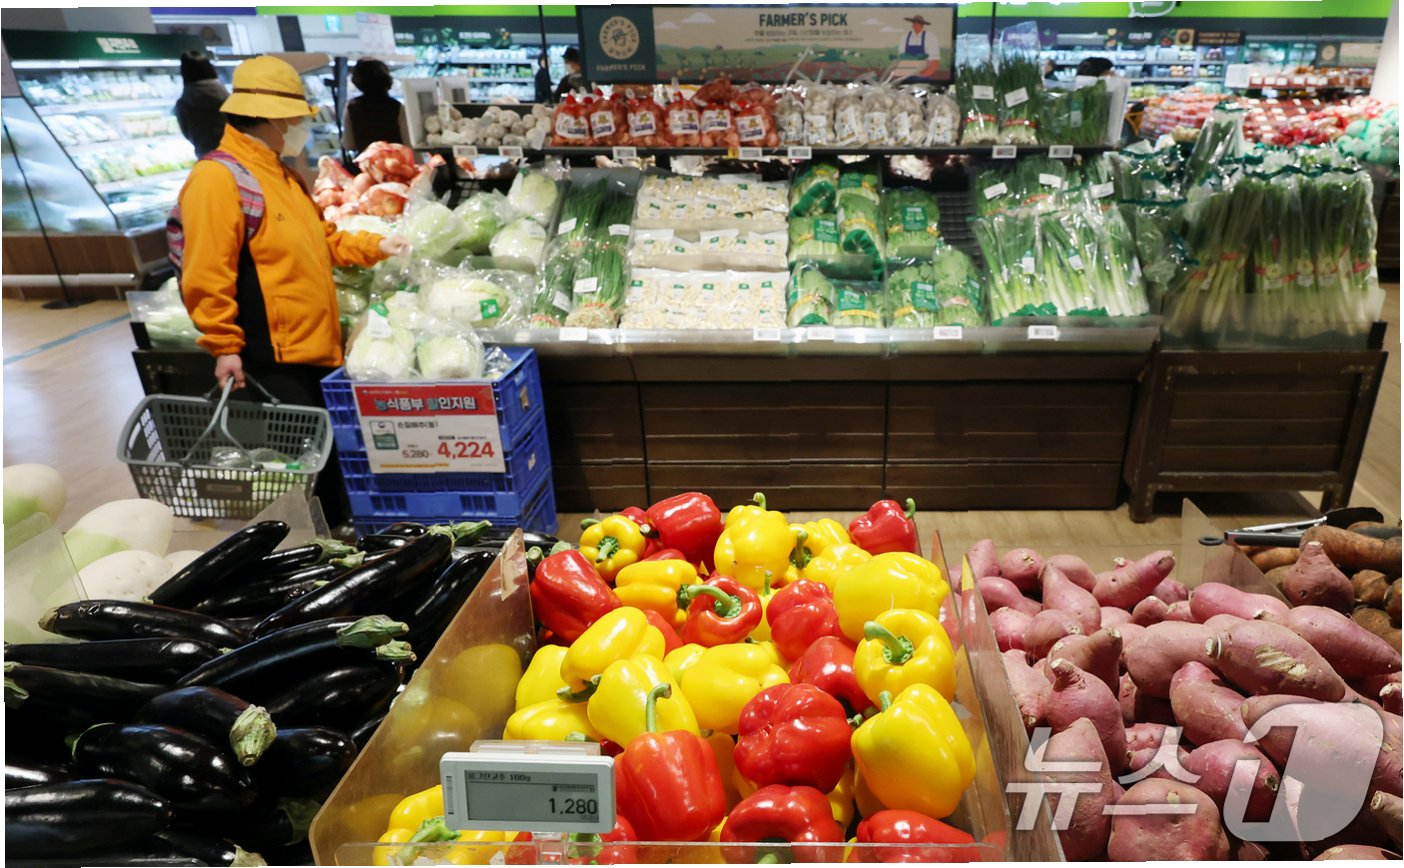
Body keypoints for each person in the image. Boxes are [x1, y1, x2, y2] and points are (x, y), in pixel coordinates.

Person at [173, 55, 409, 527]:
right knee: (301, 463)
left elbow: (322, 240)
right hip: (270, 353)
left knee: (324, 456)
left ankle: (334, 537)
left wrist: (378, 245)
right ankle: (310, 544)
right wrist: (224, 344)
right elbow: (205, 271)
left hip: (311, 345)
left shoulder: (281, 175)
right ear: (274, 118)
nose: (299, 127)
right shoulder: (218, 178)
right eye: (295, 118)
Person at [343, 58, 408, 151]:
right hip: (395, 158)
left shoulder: (352, 107)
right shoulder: (396, 107)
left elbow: (349, 144)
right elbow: (408, 142)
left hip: (366, 159)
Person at [174, 49, 229, 158]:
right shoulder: (227, 97)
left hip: (207, 156)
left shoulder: (183, 104)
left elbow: (187, 132)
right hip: (236, 153)